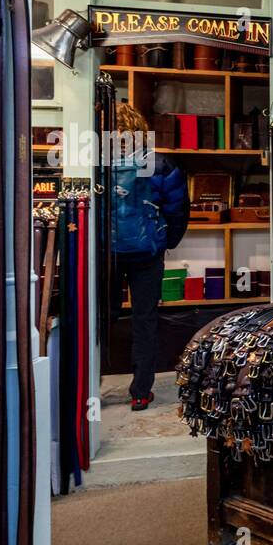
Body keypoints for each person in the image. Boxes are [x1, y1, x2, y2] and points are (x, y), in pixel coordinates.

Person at [111, 102, 188, 410]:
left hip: (107, 255)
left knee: (102, 319)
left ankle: (89, 382)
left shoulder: (97, 163)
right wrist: (166, 242)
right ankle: (141, 391)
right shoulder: (160, 164)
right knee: (145, 320)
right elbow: (178, 209)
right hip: (148, 254)